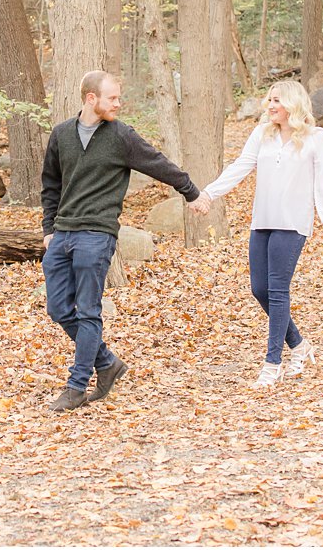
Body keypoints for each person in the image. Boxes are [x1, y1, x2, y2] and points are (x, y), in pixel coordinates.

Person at [40, 70, 210, 412]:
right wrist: (48, 229)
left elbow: (158, 164)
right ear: (91, 99)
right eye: (112, 98)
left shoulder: (121, 137)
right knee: (58, 308)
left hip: (97, 234)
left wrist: (191, 192)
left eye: (118, 97)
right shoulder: (61, 135)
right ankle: (107, 362)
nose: (118, 103)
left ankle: (76, 387)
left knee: (88, 311)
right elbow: (51, 185)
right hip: (62, 235)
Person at [199, 80, 323, 388]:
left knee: (278, 290)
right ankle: (301, 346)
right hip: (262, 220)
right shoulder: (261, 134)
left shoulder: (316, 138)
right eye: (269, 99)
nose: (270, 105)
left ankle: (272, 363)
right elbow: (240, 167)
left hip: (292, 223)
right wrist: (210, 194)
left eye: (276, 100)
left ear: (292, 103)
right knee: (259, 289)